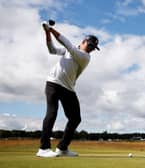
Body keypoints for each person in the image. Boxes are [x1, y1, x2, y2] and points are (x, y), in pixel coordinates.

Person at [36, 21, 100, 157]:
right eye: (90, 45)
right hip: (53, 83)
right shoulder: (71, 50)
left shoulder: (85, 57)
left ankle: (62, 148)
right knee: (52, 112)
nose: (91, 49)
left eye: (93, 48)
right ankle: (43, 148)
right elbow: (52, 49)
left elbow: (67, 44)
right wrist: (47, 33)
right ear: (83, 42)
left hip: (68, 88)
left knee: (75, 118)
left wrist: (51, 29)